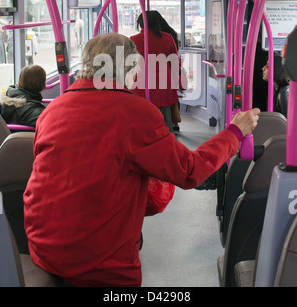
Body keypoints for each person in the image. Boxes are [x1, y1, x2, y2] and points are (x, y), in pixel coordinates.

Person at [23, 33, 260, 287]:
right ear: (128, 68)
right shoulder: (134, 113)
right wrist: (234, 133)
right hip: (99, 263)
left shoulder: (52, 111)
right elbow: (190, 170)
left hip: (43, 247)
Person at [130, 11, 182, 132]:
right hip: (165, 85)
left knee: (142, 117)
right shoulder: (168, 38)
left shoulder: (133, 40)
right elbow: (174, 63)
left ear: (140, 24)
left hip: (141, 84)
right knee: (165, 119)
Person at [262, 53, 289, 117]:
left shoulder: (284, 92)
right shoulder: (277, 90)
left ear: (277, 69)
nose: (263, 68)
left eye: (268, 66)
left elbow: (287, 122)